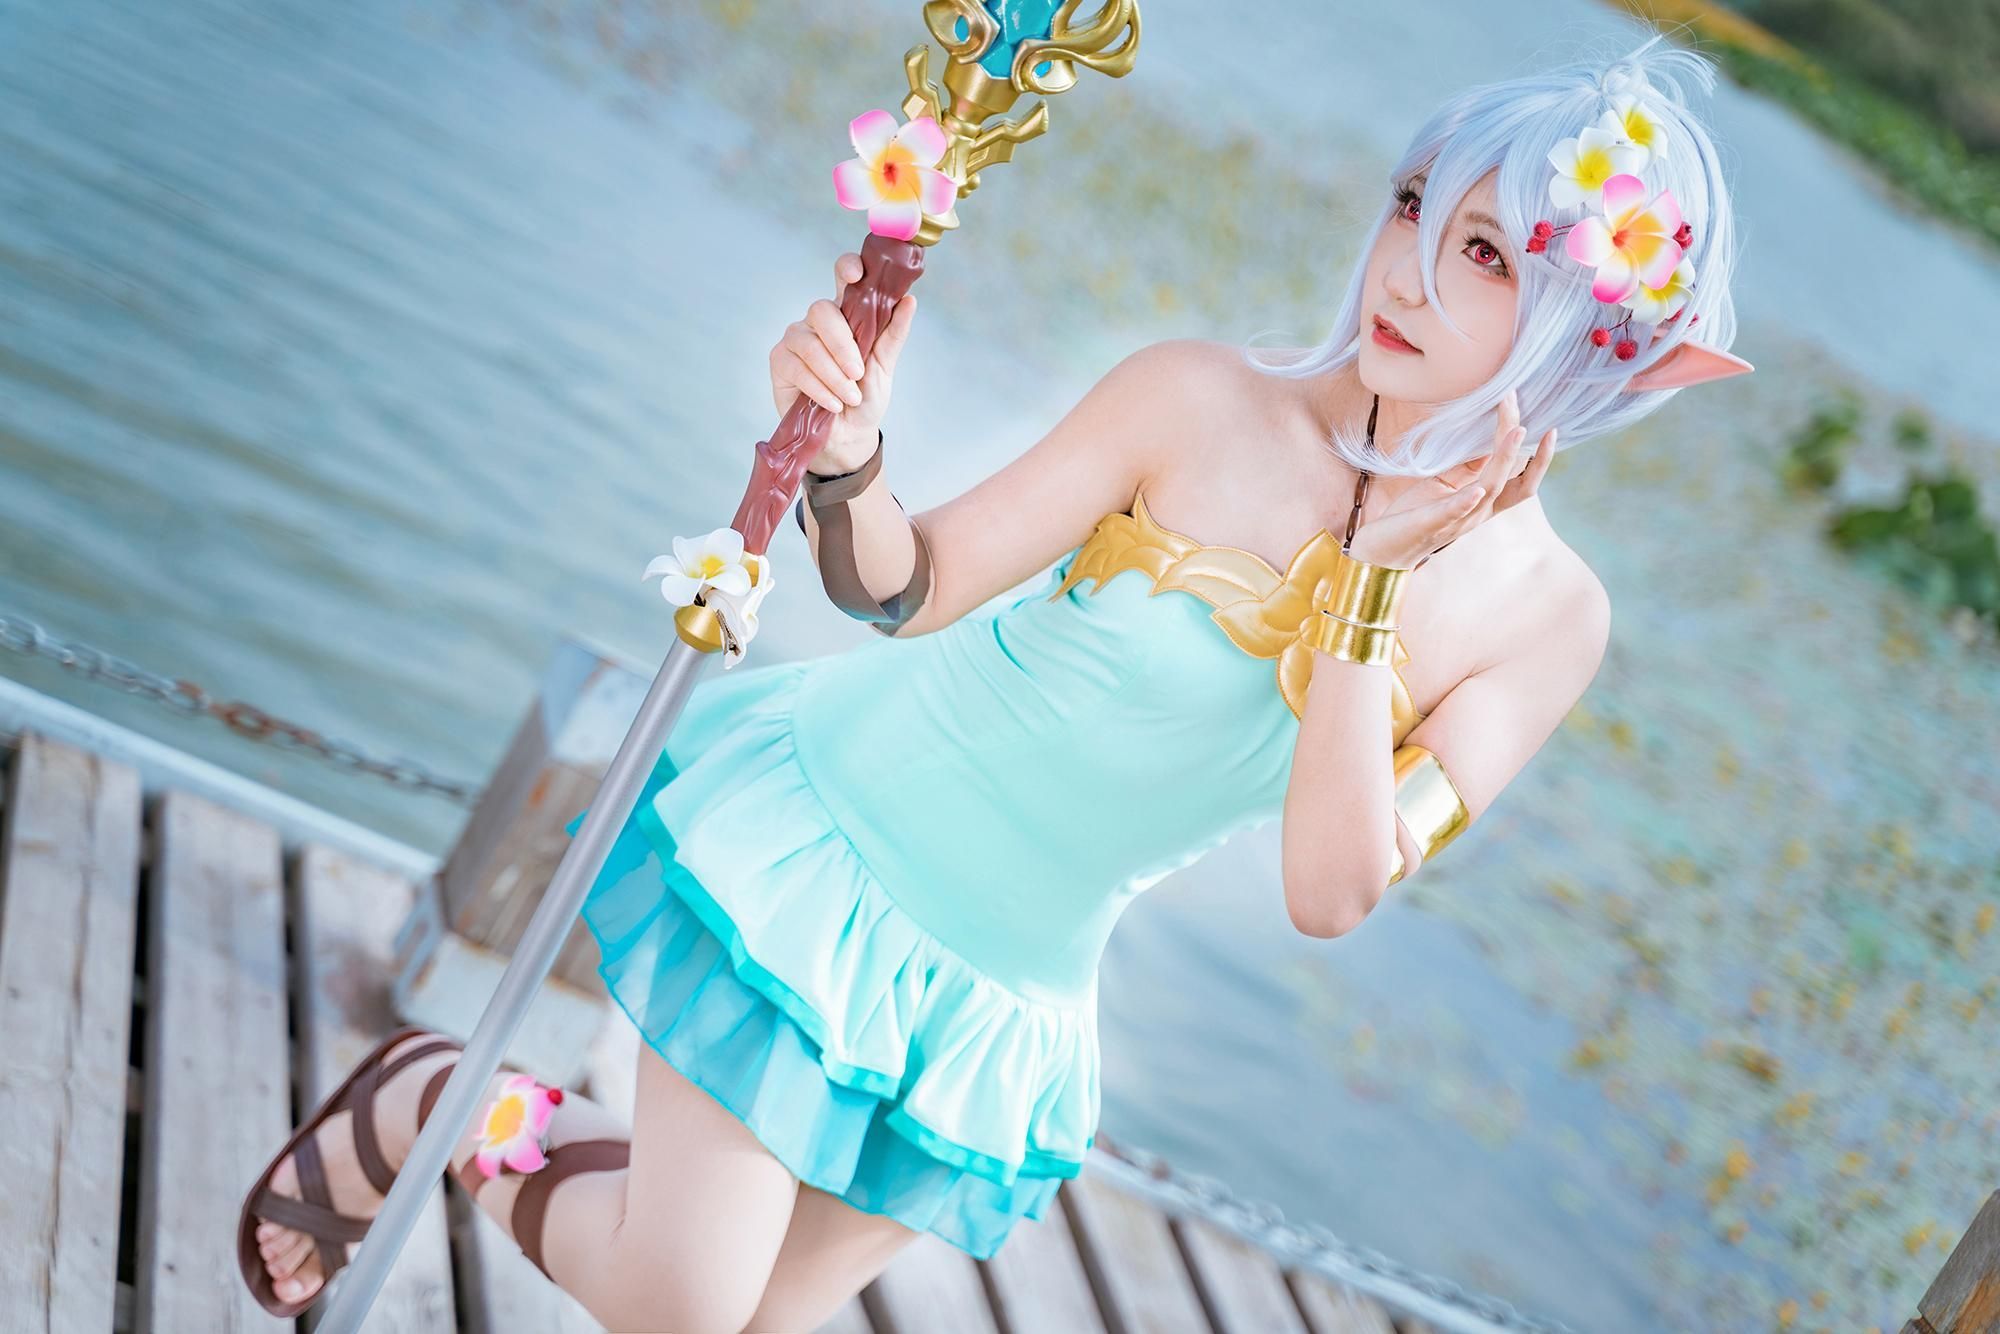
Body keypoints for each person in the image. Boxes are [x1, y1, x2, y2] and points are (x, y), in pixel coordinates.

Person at [237, 26, 1753, 1332]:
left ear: (1591, 330)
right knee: (681, 1304)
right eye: (1414, 204)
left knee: (750, 1318)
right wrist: (849, 461)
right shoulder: (1199, 398)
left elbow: (1332, 887)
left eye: (1483, 255)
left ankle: (475, 1105)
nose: (1405, 270)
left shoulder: (1547, 617)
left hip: (994, 1000)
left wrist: (1367, 580)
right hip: (828, 850)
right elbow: (905, 586)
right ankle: (427, 1095)